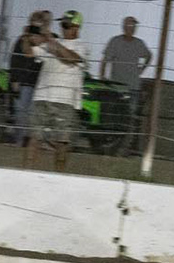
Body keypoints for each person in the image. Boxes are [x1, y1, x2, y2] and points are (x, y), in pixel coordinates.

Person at [25, 10, 87, 172]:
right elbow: (29, 52)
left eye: (66, 25)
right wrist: (27, 35)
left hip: (65, 100)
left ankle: (59, 175)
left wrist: (50, 39)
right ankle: (26, 173)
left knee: (62, 142)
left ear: (76, 27)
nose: (63, 28)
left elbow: (70, 58)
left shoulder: (82, 46)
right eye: (62, 24)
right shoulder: (51, 42)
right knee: (35, 138)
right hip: (42, 96)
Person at [99, 16, 152, 155]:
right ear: (124, 27)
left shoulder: (139, 43)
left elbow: (149, 55)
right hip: (117, 86)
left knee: (130, 117)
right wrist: (102, 77)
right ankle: (110, 144)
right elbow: (105, 60)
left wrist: (141, 69)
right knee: (114, 115)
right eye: (129, 26)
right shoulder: (115, 41)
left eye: (133, 26)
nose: (131, 29)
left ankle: (125, 146)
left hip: (133, 87)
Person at [8, 10, 51, 145]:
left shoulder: (50, 40)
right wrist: (15, 79)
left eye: (40, 23)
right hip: (25, 81)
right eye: (34, 23)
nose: (36, 27)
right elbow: (15, 60)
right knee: (21, 112)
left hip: (41, 83)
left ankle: (35, 141)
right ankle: (19, 140)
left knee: (38, 114)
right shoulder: (22, 40)